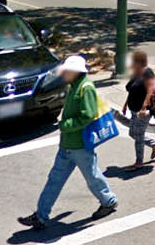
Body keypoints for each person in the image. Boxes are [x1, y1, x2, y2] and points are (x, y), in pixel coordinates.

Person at [19, 55, 116, 230]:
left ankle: (108, 201)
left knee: (92, 177)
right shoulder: (75, 85)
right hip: (67, 145)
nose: (64, 73)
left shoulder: (85, 87)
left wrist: (66, 125)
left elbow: (87, 115)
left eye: (67, 71)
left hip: (79, 145)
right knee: (54, 180)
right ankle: (41, 216)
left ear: (76, 72)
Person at [122, 50, 155, 167]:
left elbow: (150, 91)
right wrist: (125, 105)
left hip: (143, 111)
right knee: (132, 133)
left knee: (139, 136)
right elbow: (131, 90)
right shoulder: (136, 73)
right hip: (133, 110)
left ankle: (139, 162)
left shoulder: (147, 73)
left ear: (138, 62)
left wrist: (144, 107)